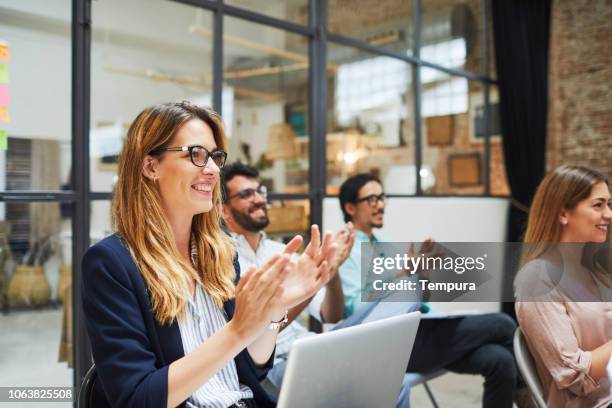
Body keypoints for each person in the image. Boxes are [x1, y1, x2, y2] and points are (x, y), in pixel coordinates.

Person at [81, 102, 337, 408]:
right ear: (151, 166)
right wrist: (237, 330)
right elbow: (137, 398)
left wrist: (276, 308)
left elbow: (254, 365)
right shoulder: (111, 263)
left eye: (215, 156)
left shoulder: (221, 252)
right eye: (196, 154)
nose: (214, 169)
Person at [337, 173, 520, 408]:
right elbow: (355, 311)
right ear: (350, 207)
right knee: (503, 325)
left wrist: (420, 275)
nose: (380, 204)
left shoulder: (384, 244)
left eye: (382, 197)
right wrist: (401, 277)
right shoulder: (346, 250)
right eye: (372, 199)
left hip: (415, 331)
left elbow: (417, 299)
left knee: (500, 360)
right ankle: (530, 397)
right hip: (387, 344)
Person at [220, 162, 354, 394]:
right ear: (224, 210)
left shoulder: (282, 251)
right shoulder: (222, 260)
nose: (259, 199)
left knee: (392, 379)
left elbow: (331, 315)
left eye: (260, 191)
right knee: (353, 383)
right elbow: (259, 332)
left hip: (306, 347)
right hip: (268, 367)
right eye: (246, 194)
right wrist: (312, 285)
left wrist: (331, 273)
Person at [515, 164, 612, 408]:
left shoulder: (594, 269)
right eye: (598, 205)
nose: (609, 214)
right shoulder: (536, 280)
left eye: (609, 204)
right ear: (563, 214)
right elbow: (574, 377)